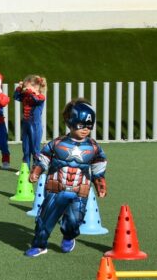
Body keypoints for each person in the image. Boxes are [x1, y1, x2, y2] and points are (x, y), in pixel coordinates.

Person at [24, 99, 107, 257]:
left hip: (79, 191)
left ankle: (69, 236)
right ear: (70, 122)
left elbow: (99, 165)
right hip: (55, 188)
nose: (85, 129)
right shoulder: (57, 143)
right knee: (44, 219)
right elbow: (43, 157)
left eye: (88, 126)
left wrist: (100, 182)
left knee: (74, 220)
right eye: (81, 125)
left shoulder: (93, 147)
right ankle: (40, 245)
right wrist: (36, 170)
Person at [14, 74, 47, 173]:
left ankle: (36, 169)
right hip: (26, 125)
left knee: (35, 150)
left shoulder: (41, 97)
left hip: (35, 127)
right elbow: (16, 97)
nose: (26, 89)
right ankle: (25, 168)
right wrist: (19, 88)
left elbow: (35, 99)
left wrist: (30, 91)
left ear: (36, 87)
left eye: (27, 87)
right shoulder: (26, 97)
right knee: (26, 149)